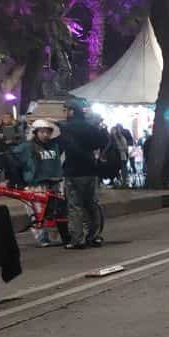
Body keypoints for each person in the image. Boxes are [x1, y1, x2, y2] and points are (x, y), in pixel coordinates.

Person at [60, 97, 108, 249]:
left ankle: (77, 239)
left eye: (66, 110)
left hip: (73, 170)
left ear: (72, 111)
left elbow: (61, 146)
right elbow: (103, 141)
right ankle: (93, 236)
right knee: (92, 204)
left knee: (75, 206)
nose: (65, 113)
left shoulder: (66, 128)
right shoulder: (90, 127)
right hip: (90, 169)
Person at [15, 119, 64, 246]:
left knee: (55, 211)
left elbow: (65, 135)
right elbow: (14, 159)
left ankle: (54, 235)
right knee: (37, 211)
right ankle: (41, 238)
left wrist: (56, 123)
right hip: (36, 183)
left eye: (48, 132)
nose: (45, 135)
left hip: (54, 181)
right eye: (42, 132)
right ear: (35, 132)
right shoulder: (26, 146)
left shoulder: (54, 145)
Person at [0, 111, 25, 186]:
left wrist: (12, 140)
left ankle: (10, 184)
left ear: (11, 119)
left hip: (11, 152)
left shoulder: (16, 128)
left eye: (8, 118)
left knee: (10, 169)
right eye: (4, 118)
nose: (6, 119)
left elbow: (20, 139)